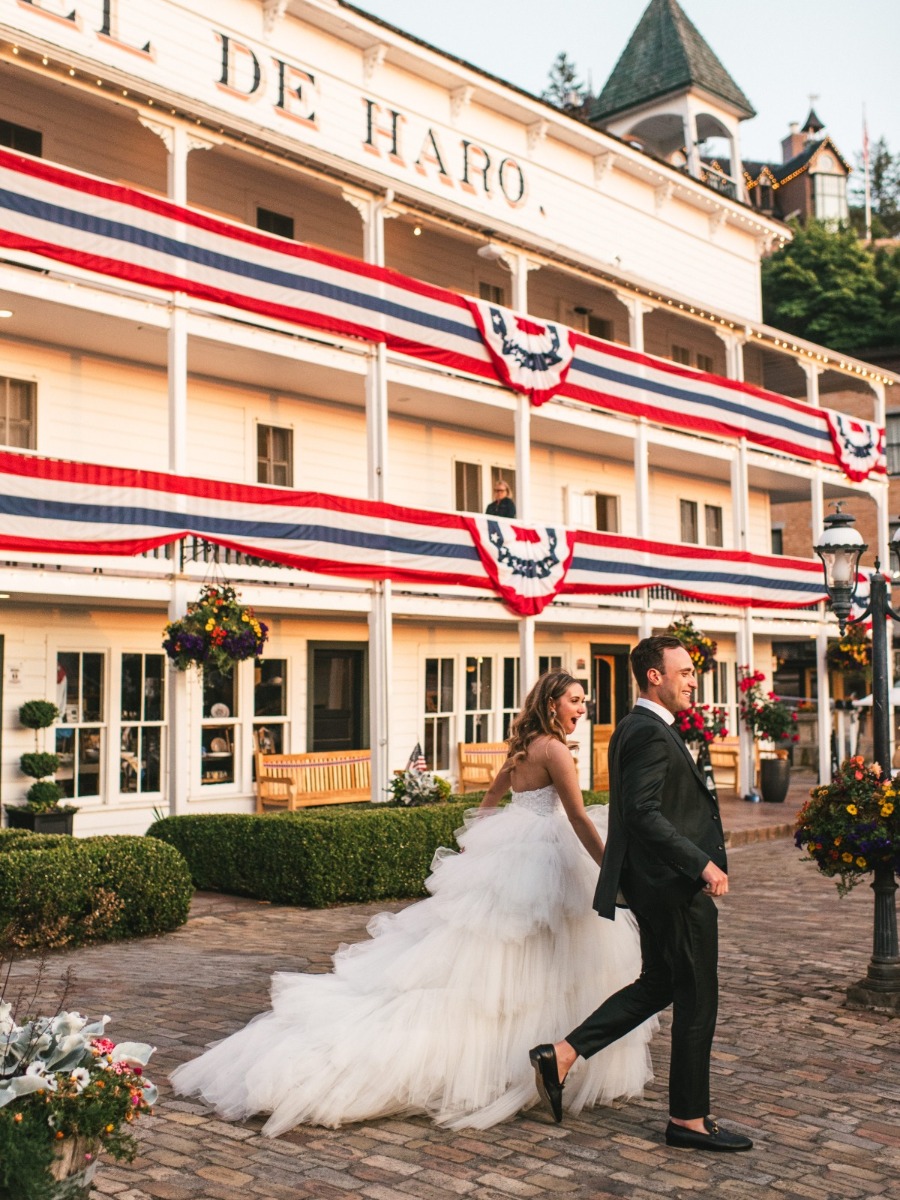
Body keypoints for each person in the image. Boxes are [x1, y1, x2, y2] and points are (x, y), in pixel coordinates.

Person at [170, 671, 655, 1132]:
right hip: (548, 857)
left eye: (583, 701)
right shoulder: (556, 751)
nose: (582, 708)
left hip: (515, 850)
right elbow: (577, 817)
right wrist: (611, 872)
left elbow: (486, 806)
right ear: (553, 703)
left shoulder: (523, 748)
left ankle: (531, 1055)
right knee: (547, 962)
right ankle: (534, 1057)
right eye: (575, 700)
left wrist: (483, 852)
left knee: (505, 963)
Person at [529, 637, 753, 1153]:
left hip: (655, 886)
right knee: (698, 997)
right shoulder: (648, 732)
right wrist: (700, 864)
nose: (693, 679)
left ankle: (562, 1054)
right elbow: (642, 813)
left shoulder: (641, 727)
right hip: (673, 886)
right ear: (655, 676)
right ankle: (688, 1120)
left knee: (658, 985)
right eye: (686, 671)